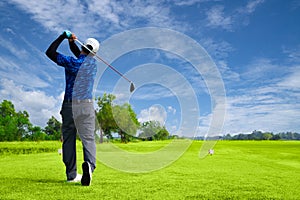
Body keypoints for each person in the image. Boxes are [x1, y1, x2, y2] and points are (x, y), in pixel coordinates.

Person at [45, 30, 99, 186]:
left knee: (68, 139)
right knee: (88, 139)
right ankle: (89, 165)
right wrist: (72, 43)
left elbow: (50, 52)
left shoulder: (71, 62)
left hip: (69, 105)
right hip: (86, 106)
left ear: (83, 47)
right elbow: (82, 55)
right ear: (94, 53)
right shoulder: (93, 64)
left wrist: (64, 37)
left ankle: (71, 174)